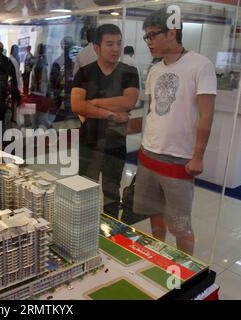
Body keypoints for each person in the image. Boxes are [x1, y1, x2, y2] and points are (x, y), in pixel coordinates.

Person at [133, 8, 216, 255]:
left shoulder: (201, 65)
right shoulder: (155, 69)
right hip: (148, 154)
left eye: (152, 35)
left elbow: (207, 114)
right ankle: (158, 256)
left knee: (179, 223)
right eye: (145, 37)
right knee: (153, 214)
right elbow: (152, 112)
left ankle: (185, 271)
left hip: (178, 159)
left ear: (171, 32)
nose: (148, 42)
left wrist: (198, 155)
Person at [71, 24, 140, 218]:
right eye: (109, 43)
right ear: (96, 47)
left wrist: (93, 103)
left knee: (111, 190)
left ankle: (110, 236)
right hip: (89, 140)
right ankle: (84, 228)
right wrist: (110, 114)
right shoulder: (84, 73)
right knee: (85, 187)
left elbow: (129, 101)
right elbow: (77, 105)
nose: (116, 49)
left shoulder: (128, 72)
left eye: (118, 43)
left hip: (115, 142)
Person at [0, 41, 18, 129]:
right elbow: (13, 79)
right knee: (2, 118)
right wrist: (15, 94)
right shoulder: (6, 60)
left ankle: (0, 137)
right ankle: (3, 138)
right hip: (2, 94)